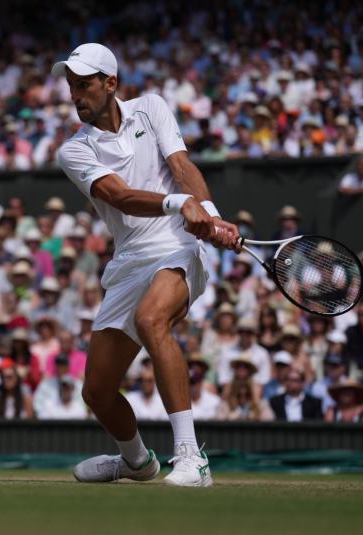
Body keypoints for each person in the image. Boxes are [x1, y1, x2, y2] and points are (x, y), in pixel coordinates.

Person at [54, 43, 238, 486]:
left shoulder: (151, 107)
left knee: (152, 318)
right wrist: (182, 203)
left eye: (85, 85)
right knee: (97, 391)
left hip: (176, 249)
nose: (77, 95)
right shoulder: (73, 151)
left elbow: (181, 164)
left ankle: (192, 457)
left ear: (110, 83)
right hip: (129, 259)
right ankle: (137, 462)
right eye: (71, 87)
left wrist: (208, 213)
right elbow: (119, 196)